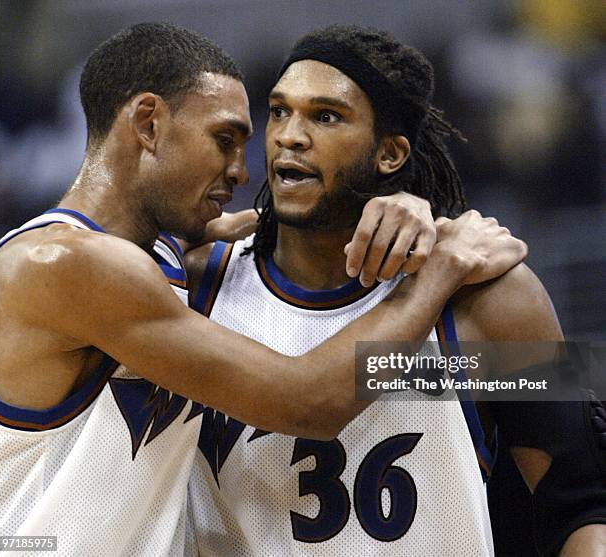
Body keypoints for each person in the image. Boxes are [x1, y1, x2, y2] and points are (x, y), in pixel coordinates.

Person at [0, 23, 527, 557]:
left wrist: (414, 213)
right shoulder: (67, 264)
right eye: (224, 140)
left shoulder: (162, 259)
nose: (243, 169)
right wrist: (440, 269)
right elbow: (306, 402)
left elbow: (580, 483)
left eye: (323, 117)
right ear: (149, 124)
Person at [185, 25, 606, 557]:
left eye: (326, 116)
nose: (289, 134)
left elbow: (583, 500)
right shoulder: (195, 287)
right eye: (279, 110)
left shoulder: (496, 298)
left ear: (390, 154)